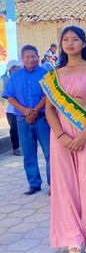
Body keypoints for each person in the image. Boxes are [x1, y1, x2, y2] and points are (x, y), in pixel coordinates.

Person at [41, 26, 86, 253]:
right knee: (65, 186)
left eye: (75, 39)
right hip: (61, 135)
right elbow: (49, 110)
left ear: (83, 43)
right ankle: (72, 237)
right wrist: (61, 135)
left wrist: (83, 135)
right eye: (65, 40)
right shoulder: (53, 76)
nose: (70, 43)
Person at [3, 45, 50, 195]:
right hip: (22, 120)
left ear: (38, 57)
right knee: (28, 154)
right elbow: (9, 96)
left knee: (49, 153)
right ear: (22, 59)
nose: (30, 59)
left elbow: (49, 94)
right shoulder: (15, 76)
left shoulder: (46, 74)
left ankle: (53, 184)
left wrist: (34, 111)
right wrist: (25, 111)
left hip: (42, 119)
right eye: (27, 57)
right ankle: (34, 183)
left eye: (33, 56)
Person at [0, 60, 22, 156]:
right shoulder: (3, 80)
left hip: (21, 109)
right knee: (14, 129)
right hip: (10, 110)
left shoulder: (20, 78)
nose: (20, 69)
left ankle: (22, 146)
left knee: (22, 128)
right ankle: (16, 148)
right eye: (18, 68)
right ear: (12, 68)